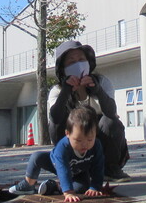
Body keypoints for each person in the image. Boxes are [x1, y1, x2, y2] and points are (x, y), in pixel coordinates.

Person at [48, 40, 130, 182]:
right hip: (74, 146)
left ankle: (110, 168)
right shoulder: (57, 91)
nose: (78, 64)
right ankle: (68, 166)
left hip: (99, 144)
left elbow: (111, 112)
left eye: (81, 59)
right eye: (71, 62)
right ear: (62, 68)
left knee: (111, 120)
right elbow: (55, 119)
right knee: (55, 121)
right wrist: (66, 92)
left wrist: (98, 91)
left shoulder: (102, 82)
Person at [9, 107, 107, 201]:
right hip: (56, 164)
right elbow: (63, 169)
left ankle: (55, 186)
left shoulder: (96, 145)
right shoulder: (63, 147)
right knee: (36, 157)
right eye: (78, 140)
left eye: (90, 139)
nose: (84, 144)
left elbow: (98, 166)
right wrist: (68, 192)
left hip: (79, 171)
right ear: (67, 134)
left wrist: (95, 187)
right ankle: (28, 184)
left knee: (81, 188)